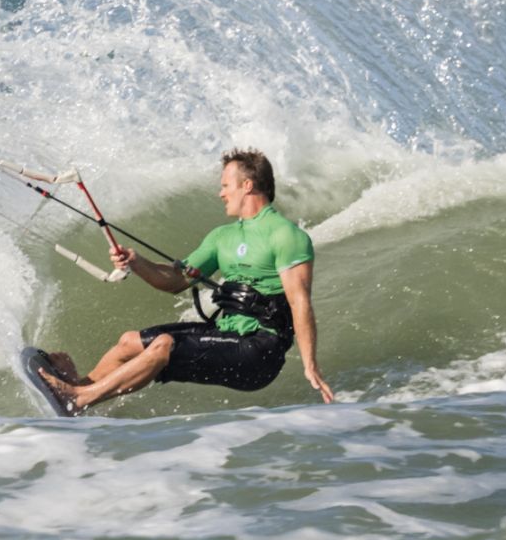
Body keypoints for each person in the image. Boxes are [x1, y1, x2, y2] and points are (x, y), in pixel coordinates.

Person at [40, 148, 335, 411]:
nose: (220, 193)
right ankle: (80, 386)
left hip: (260, 350)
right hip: (227, 332)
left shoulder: (286, 235)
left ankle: (79, 398)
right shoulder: (222, 237)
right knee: (129, 342)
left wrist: (310, 364)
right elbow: (175, 280)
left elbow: (299, 302)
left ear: (247, 185)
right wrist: (136, 262)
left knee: (164, 345)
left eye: (225, 185)